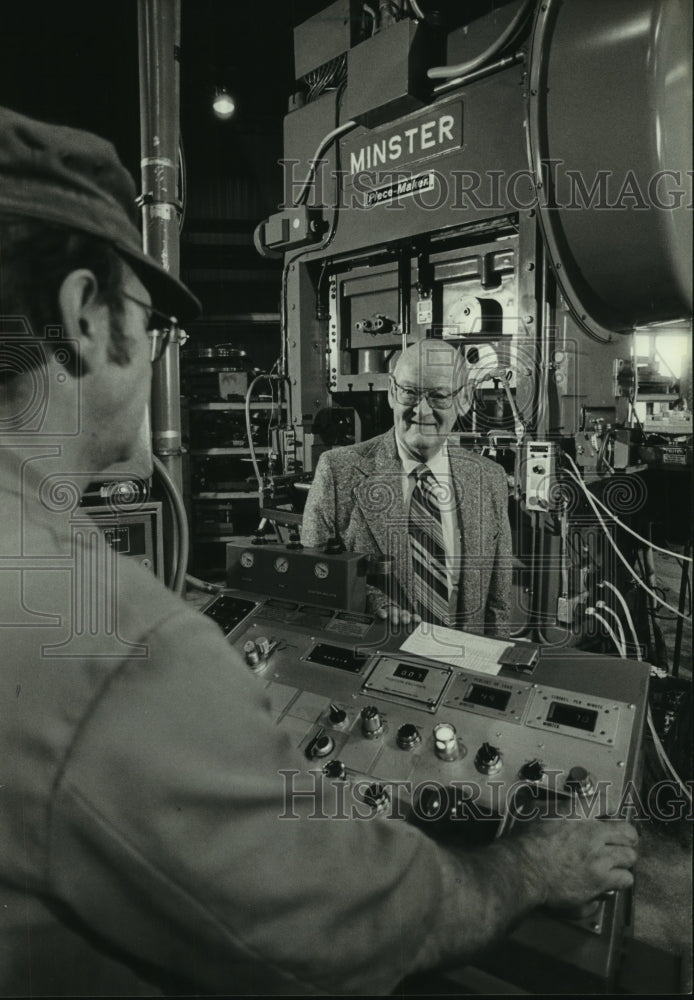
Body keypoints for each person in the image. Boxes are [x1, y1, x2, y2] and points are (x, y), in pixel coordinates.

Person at [0, 105, 638, 997]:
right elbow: (339, 924)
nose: (153, 355)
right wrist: (529, 869)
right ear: (85, 316)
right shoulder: (114, 644)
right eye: (152, 322)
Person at [302, 340, 512, 635]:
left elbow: (498, 603)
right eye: (410, 393)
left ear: (464, 399)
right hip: (371, 660)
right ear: (391, 392)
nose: (421, 410)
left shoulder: (489, 478)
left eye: (438, 396)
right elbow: (314, 582)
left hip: (463, 662)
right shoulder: (337, 472)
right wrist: (374, 602)